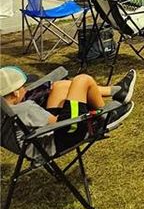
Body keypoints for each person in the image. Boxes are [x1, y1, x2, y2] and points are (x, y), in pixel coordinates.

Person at [0, 66, 136, 154]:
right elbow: (56, 123)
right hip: (62, 135)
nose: (26, 89)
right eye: (24, 86)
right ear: (16, 93)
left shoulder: (5, 112)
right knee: (82, 80)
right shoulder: (25, 109)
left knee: (60, 87)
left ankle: (115, 91)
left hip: (39, 139)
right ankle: (104, 119)